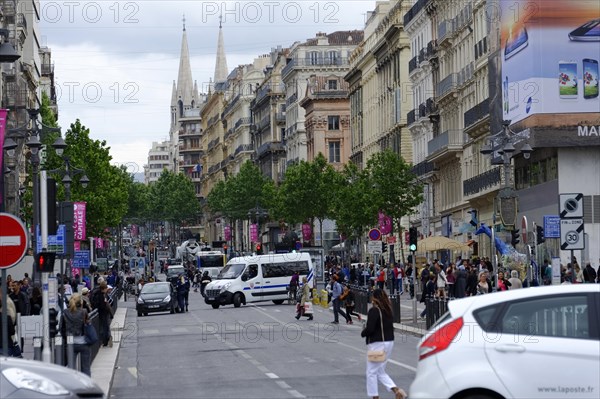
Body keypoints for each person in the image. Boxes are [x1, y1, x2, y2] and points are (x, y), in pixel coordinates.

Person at [360, 289, 407, 399]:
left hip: (377, 344)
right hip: (389, 342)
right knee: (380, 370)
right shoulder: (388, 309)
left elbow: (370, 328)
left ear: (374, 298)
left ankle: (375, 397)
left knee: (371, 372)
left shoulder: (374, 310)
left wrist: (363, 333)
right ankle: (397, 391)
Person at [61, 294, 92, 376]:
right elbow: (88, 324)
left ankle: (73, 385)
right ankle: (87, 386)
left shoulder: (65, 312)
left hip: (71, 343)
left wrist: (66, 337)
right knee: (86, 368)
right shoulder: (84, 312)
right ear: (80, 302)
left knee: (71, 368)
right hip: (84, 342)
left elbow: (62, 328)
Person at [91, 282, 113, 347]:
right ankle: (105, 340)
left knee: (105, 327)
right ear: (104, 288)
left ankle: (106, 339)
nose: (107, 290)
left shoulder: (101, 294)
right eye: (106, 288)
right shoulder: (100, 295)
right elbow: (101, 305)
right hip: (102, 313)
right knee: (104, 327)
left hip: (102, 313)